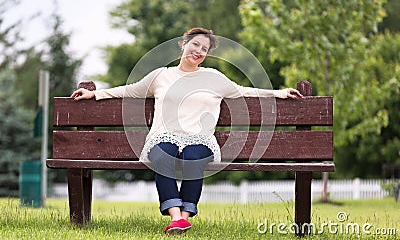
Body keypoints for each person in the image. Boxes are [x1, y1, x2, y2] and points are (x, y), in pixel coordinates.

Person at [71, 27, 303, 234]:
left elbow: (244, 91)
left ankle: (184, 217)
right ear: (184, 44)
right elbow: (131, 90)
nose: (199, 51)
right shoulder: (161, 75)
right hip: (164, 135)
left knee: (194, 157)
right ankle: (175, 217)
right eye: (195, 44)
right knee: (163, 155)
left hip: (199, 139)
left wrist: (277, 93)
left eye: (204, 48)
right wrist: (95, 94)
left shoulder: (214, 77)